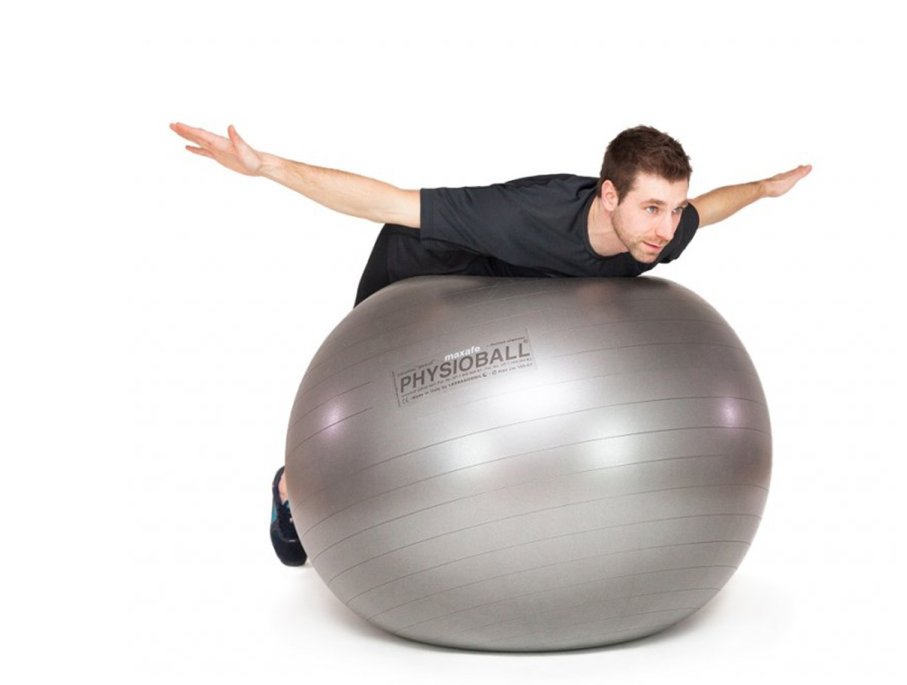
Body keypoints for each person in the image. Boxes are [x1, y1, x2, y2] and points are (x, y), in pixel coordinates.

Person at [170, 122, 812, 566]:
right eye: (652, 209)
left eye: (673, 209)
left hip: (511, 295)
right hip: (424, 273)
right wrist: (266, 167)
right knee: (380, 407)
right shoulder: (523, 216)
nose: (666, 229)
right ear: (609, 195)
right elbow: (388, 203)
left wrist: (763, 189)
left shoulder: (657, 232)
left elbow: (710, 207)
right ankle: (292, 488)